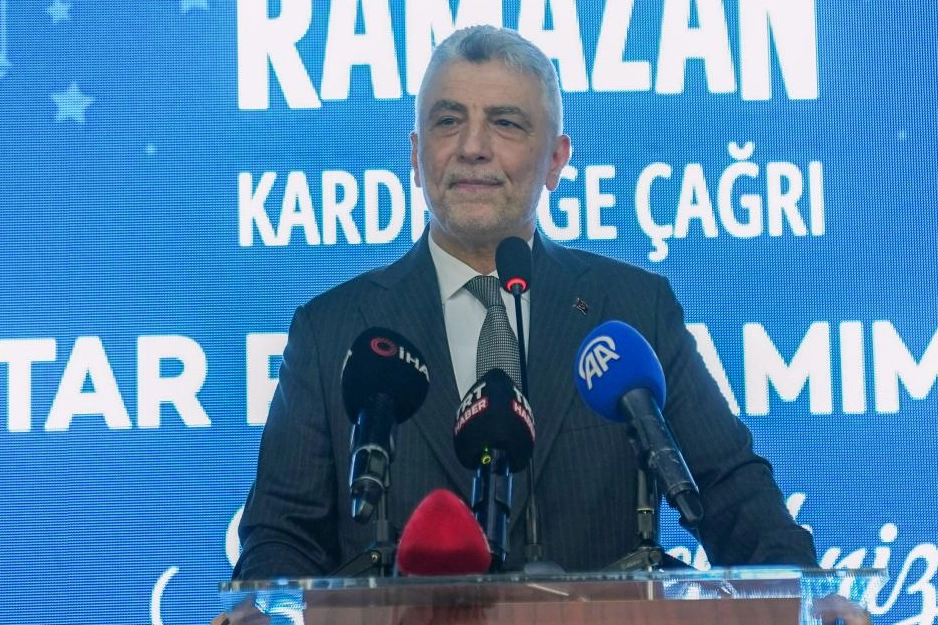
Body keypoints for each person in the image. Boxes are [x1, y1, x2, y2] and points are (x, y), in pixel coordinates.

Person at [224, 23, 872, 625]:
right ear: (416, 155)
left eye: (505, 123)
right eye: (448, 121)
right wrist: (256, 607)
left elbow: (728, 489)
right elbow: (283, 532)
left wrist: (810, 592)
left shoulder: (631, 308)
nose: (472, 147)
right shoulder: (333, 329)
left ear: (557, 159)